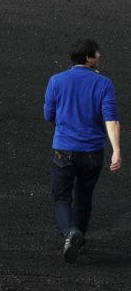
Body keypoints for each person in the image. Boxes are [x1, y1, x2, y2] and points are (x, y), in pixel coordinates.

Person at [43, 38, 121, 263]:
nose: (99, 56)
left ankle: (70, 233)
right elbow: (111, 120)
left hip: (64, 148)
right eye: (97, 53)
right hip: (93, 151)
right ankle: (78, 236)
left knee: (61, 196)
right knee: (84, 196)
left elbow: (49, 115)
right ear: (88, 58)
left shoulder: (56, 81)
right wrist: (117, 151)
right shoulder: (104, 84)